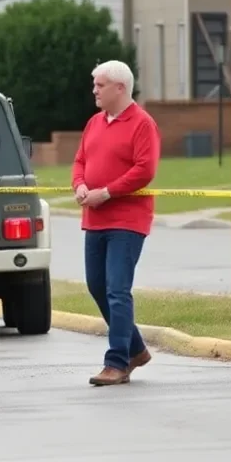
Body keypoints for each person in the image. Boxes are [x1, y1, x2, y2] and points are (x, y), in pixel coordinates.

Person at [71, 59, 161, 387]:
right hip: (94, 219)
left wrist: (106, 193)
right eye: (95, 84)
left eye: (100, 85)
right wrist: (80, 185)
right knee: (97, 287)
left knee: (117, 290)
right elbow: (80, 160)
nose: (94, 90)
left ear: (120, 88)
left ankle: (117, 362)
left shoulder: (142, 124)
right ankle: (135, 348)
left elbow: (144, 170)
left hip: (127, 219)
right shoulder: (94, 122)